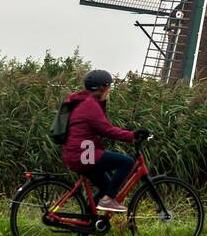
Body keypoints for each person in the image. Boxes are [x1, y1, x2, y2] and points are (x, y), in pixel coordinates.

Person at [61, 70, 148, 213]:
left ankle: (89, 221)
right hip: (84, 154)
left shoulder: (83, 101)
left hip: (80, 153)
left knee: (107, 186)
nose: (109, 90)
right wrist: (133, 135)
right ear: (102, 87)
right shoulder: (90, 105)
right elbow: (107, 130)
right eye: (108, 87)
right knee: (126, 162)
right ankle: (108, 200)